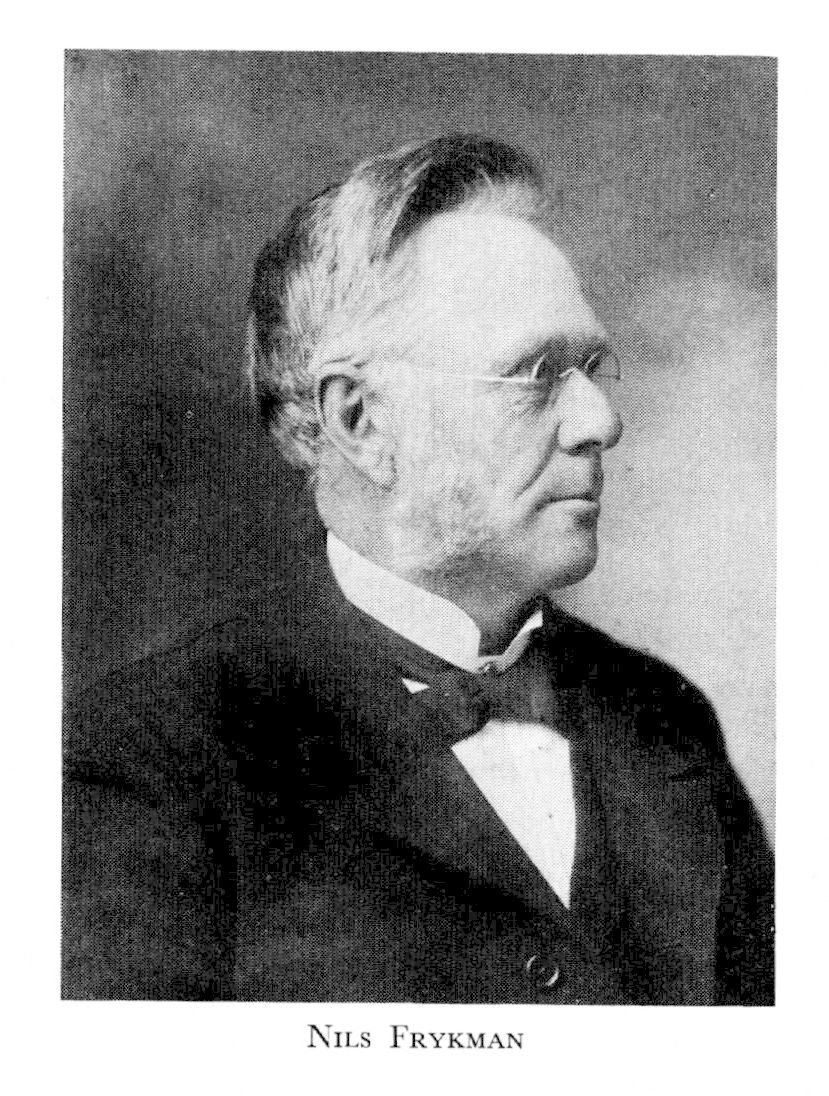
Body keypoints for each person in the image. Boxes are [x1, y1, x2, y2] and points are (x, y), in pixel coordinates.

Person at [63, 135, 773, 1004]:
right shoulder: (150, 755)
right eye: (535, 374)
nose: (599, 421)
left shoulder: (663, 719)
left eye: (590, 368)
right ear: (360, 421)